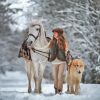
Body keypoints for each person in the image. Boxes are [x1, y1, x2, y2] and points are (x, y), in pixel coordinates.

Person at [33, 28, 69, 94]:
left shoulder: (64, 41)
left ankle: (59, 90)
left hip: (62, 61)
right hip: (54, 61)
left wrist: (68, 56)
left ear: (59, 33)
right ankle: (56, 90)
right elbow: (45, 47)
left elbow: (67, 50)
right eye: (53, 33)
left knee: (60, 76)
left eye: (55, 33)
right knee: (55, 77)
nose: (54, 34)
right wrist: (35, 48)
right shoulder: (52, 41)